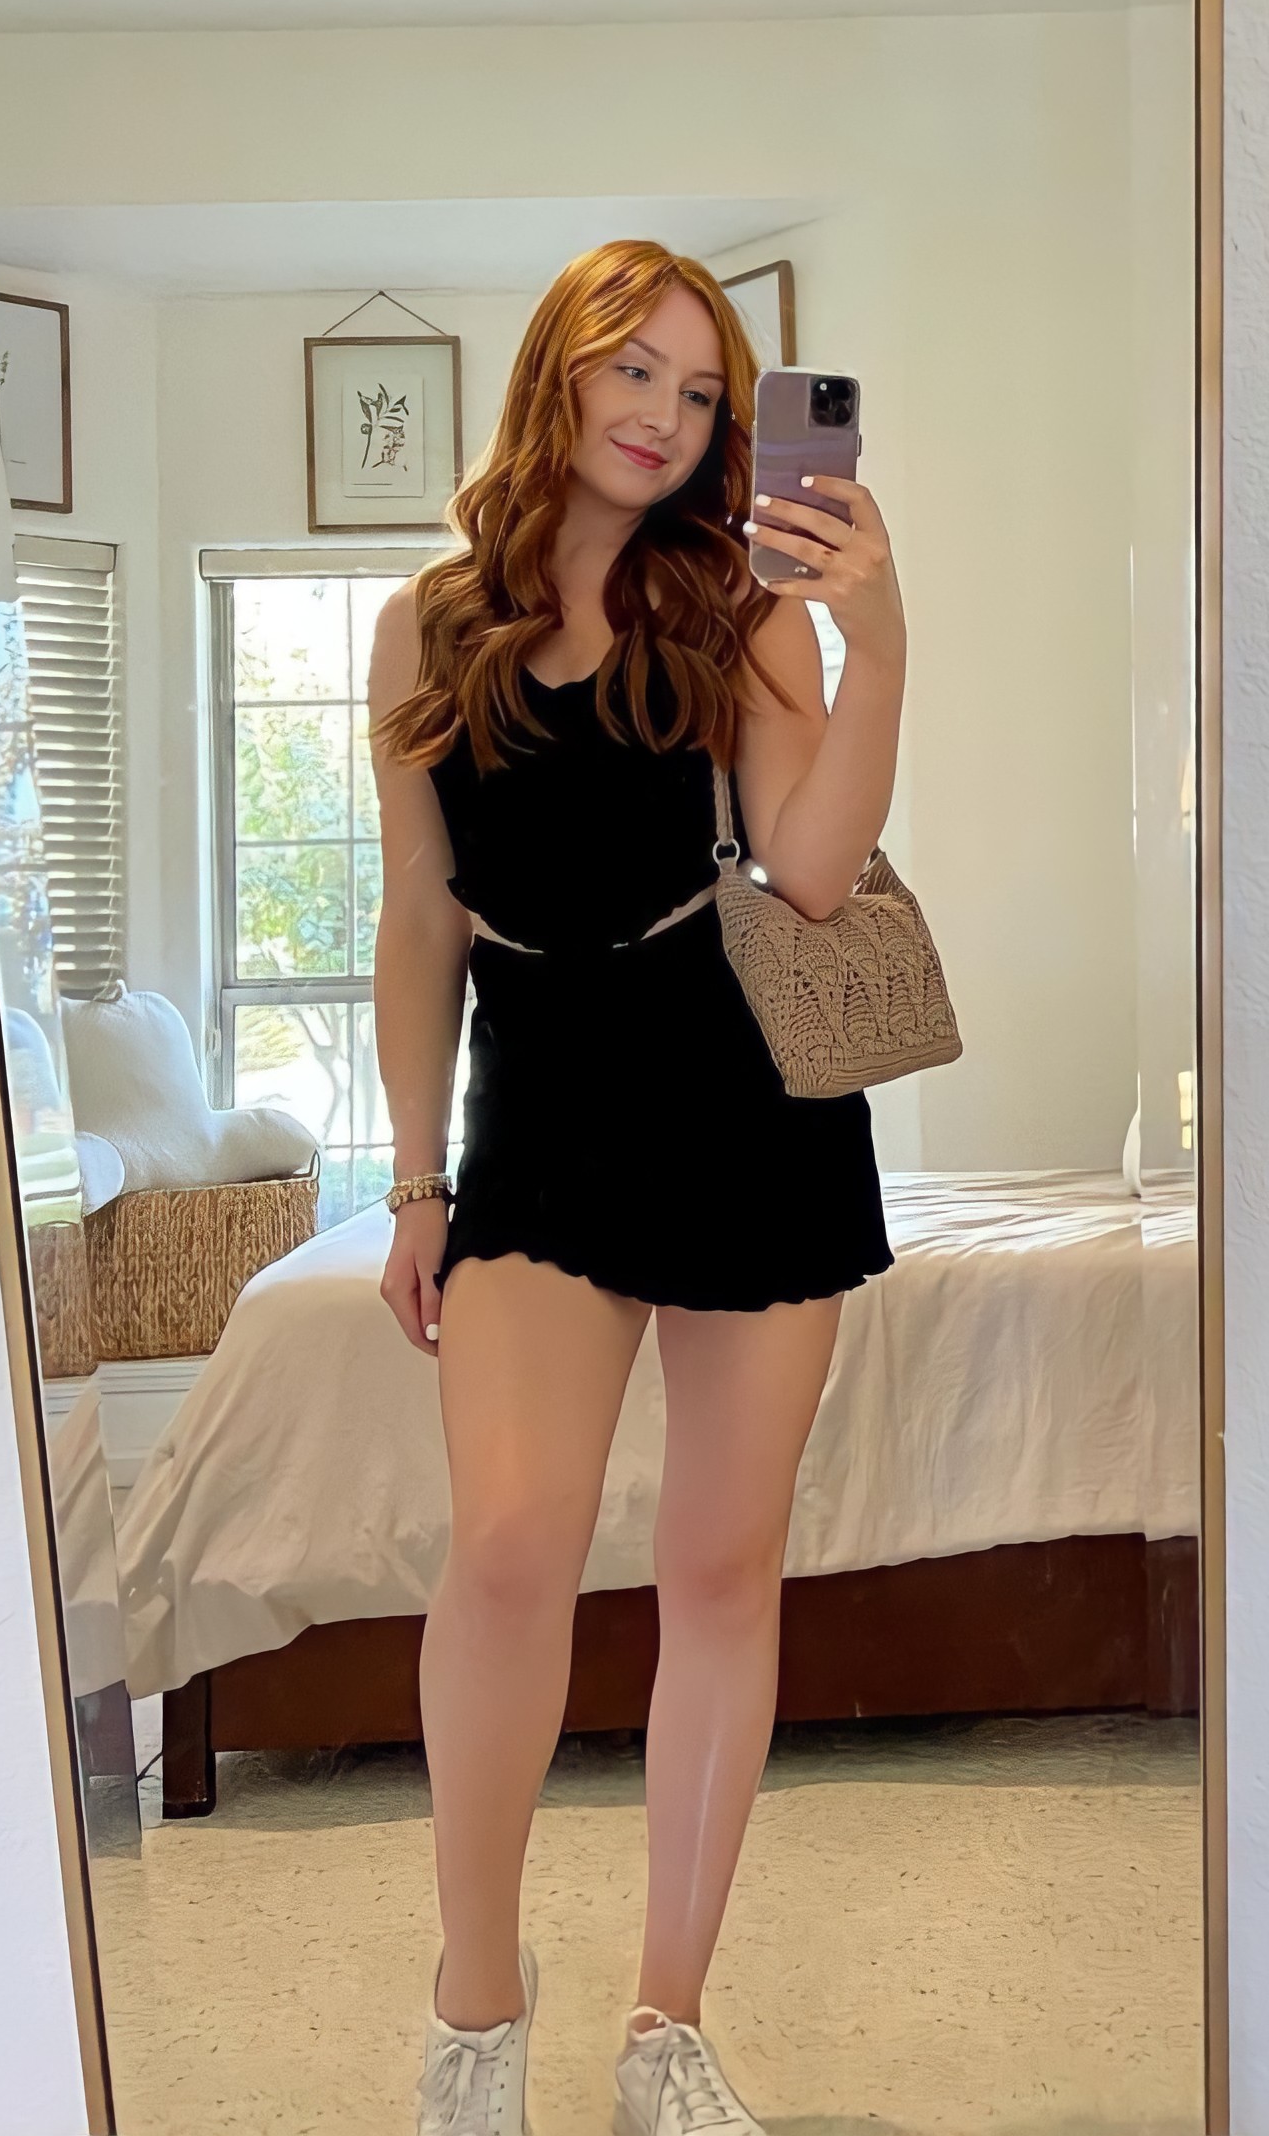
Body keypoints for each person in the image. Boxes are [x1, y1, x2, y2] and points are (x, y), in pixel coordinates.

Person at [366, 239, 903, 2136]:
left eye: (700, 390)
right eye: (635, 371)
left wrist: (876, 638)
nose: (665, 416)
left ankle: (667, 2025)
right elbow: (419, 916)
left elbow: (815, 872)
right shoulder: (431, 625)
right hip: (540, 1110)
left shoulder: (737, 603)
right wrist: (414, 1180)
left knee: (722, 1567)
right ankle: (476, 2003)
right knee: (512, 1543)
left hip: (749, 1103)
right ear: (561, 368)